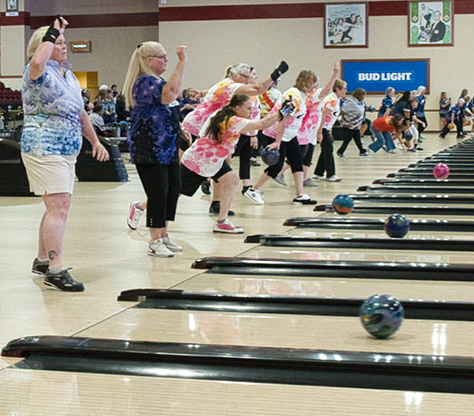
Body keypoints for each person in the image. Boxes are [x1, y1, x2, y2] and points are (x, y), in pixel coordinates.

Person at [21, 17, 109, 291]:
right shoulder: (36, 72)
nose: (64, 46)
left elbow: (80, 111)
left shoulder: (66, 74)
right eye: (58, 42)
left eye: (63, 42)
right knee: (59, 207)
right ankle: (55, 270)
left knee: (54, 207)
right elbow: (37, 62)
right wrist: (52, 32)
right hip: (44, 146)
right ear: (43, 45)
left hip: (66, 148)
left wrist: (95, 141)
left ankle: (41, 260)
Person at [181, 93, 283, 234]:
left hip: (213, 161)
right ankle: (141, 207)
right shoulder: (232, 121)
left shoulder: (222, 113)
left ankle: (222, 222)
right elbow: (262, 124)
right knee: (173, 193)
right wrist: (282, 111)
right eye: (248, 108)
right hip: (199, 161)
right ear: (237, 108)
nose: (251, 112)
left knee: (232, 180)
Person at [124, 41, 187, 257]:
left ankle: (164, 235)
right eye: (162, 56)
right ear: (149, 60)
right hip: (149, 147)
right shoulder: (144, 82)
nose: (166, 60)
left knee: (172, 190)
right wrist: (182, 61)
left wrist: (179, 131)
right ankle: (154, 240)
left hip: (168, 146)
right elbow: (170, 93)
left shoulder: (157, 80)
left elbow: (168, 109)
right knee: (158, 192)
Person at [250, 68, 331, 205]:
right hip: (277, 132)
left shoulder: (302, 95)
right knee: (277, 165)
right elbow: (283, 119)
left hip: (290, 134)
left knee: (297, 160)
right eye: (314, 83)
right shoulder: (293, 97)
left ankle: (299, 195)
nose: (316, 87)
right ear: (306, 83)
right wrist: (277, 141)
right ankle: (254, 189)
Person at [312, 79, 344, 182]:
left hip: (326, 127)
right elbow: (323, 115)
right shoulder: (332, 100)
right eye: (344, 88)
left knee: (325, 149)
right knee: (328, 149)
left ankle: (318, 172)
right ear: (337, 89)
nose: (345, 91)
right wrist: (320, 131)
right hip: (323, 127)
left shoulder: (336, 99)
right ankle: (330, 174)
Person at [335, 87, 369, 158]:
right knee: (349, 139)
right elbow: (342, 111)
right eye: (362, 95)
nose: (363, 97)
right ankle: (340, 151)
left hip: (356, 125)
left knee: (357, 138)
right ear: (358, 95)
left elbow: (364, 108)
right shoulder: (351, 102)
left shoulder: (360, 102)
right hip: (349, 124)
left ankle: (362, 151)